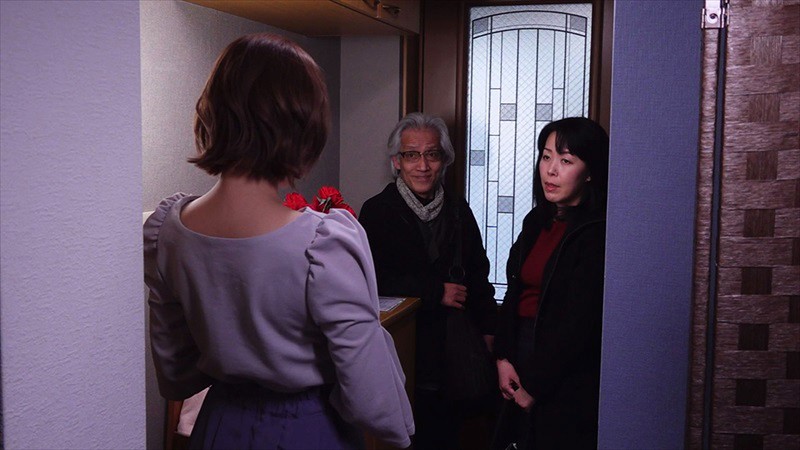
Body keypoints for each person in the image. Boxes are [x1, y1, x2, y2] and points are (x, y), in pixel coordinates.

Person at [143, 33, 414, 450]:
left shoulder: (167, 232)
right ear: (303, 127)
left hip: (218, 425)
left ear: (212, 114)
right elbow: (374, 400)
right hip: (307, 428)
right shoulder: (322, 243)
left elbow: (176, 372)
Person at [359, 113, 498, 450]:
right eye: (411, 155)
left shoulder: (458, 210)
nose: (422, 166)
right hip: (402, 349)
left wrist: (490, 335)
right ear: (397, 162)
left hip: (452, 355)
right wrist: (435, 292)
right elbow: (370, 278)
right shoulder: (377, 211)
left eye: (432, 154)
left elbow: (479, 276)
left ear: (444, 160)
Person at [492, 117, 609, 449]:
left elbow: (579, 323)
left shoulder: (596, 231)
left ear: (590, 171)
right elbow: (514, 292)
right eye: (546, 157)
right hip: (519, 354)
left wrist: (535, 385)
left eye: (566, 160)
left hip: (561, 370)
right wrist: (503, 357)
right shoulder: (536, 221)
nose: (551, 170)